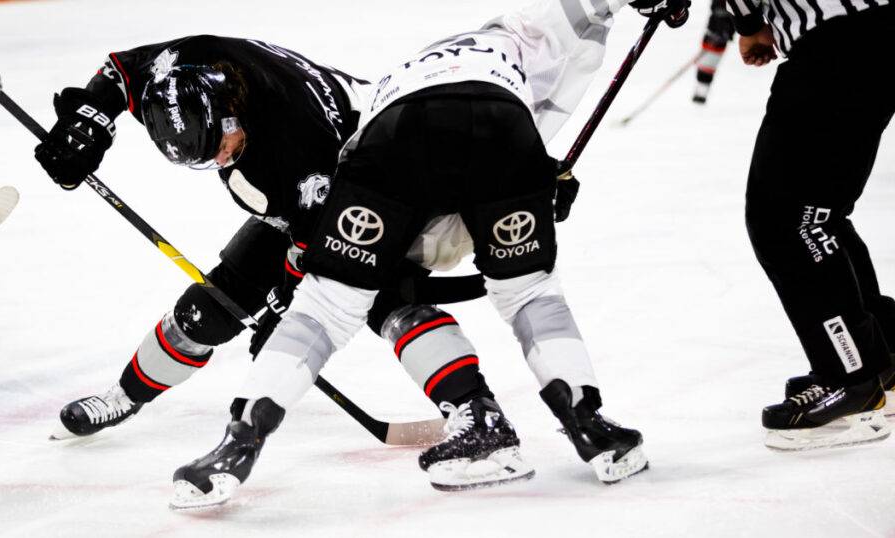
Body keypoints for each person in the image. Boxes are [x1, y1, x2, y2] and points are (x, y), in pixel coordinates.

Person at [169, 0, 690, 510]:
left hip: (393, 137)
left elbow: (385, 230)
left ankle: (238, 444)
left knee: (327, 307)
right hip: (501, 128)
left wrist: (318, 285)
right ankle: (592, 427)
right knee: (530, 291)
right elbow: (583, 7)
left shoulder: (404, 73)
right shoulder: (517, 31)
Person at [34, 35, 500, 443]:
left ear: (232, 112)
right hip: (303, 199)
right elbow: (121, 72)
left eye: (219, 146)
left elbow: (315, 250)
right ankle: (124, 396)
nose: (217, 161)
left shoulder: (296, 142)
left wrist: (288, 308)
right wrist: (88, 121)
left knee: (388, 302)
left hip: (381, 188)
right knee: (208, 311)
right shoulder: (186, 68)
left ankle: (476, 409)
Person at [727, 0, 894, 450]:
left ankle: (852, 381)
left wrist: (747, 23)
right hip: (874, 31)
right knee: (821, 215)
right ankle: (881, 358)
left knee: (784, 222)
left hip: (836, 47)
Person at [692, 0, 734, 103]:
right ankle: (700, 92)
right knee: (705, 66)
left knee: (708, 67)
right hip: (712, 35)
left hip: (719, 40)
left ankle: (702, 92)